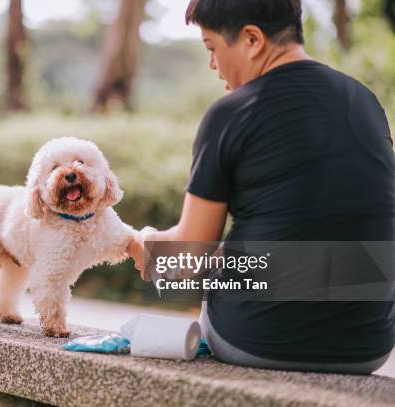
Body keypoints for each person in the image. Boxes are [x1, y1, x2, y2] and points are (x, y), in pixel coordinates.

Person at [127, 0, 394, 374]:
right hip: (368, 345)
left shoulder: (232, 112)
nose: (212, 64)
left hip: (256, 339)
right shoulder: (365, 100)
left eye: (212, 48)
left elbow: (190, 256)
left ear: (252, 39)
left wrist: (149, 248)